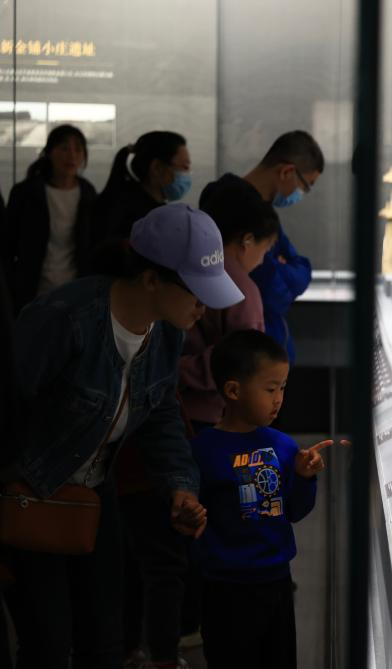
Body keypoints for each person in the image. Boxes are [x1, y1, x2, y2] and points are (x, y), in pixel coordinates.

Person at [1, 202, 243, 668]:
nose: (203, 307)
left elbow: (161, 413)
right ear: (151, 280)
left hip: (94, 495)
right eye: (195, 292)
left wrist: (179, 487)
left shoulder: (166, 332)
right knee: (47, 645)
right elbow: (7, 407)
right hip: (33, 494)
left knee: (105, 642)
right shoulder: (64, 320)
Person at [190, 329, 332, 668]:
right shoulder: (203, 449)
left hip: (276, 579)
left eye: (282, 388)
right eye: (270, 389)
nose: (279, 399)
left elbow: (294, 511)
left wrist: (304, 477)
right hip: (224, 586)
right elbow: (190, 515)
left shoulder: (282, 445)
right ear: (233, 391)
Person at [200, 130, 324, 363]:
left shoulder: (265, 214)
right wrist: (282, 268)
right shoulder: (230, 203)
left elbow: (302, 269)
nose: (301, 194)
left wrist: (281, 268)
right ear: (287, 172)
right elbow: (274, 295)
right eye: (305, 186)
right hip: (247, 356)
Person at [180, 192, 279, 429]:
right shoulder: (243, 289)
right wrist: (176, 370)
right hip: (207, 411)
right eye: (265, 250)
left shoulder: (191, 266)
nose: (262, 261)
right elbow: (244, 360)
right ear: (247, 240)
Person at [4, 124, 98, 313]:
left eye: (78, 149)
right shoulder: (26, 193)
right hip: (31, 291)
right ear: (49, 152)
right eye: (64, 148)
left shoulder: (88, 194)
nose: (71, 155)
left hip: (75, 291)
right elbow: (7, 243)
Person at [96, 131, 191, 239]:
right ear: (157, 167)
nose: (187, 174)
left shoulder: (151, 209)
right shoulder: (130, 215)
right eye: (185, 167)